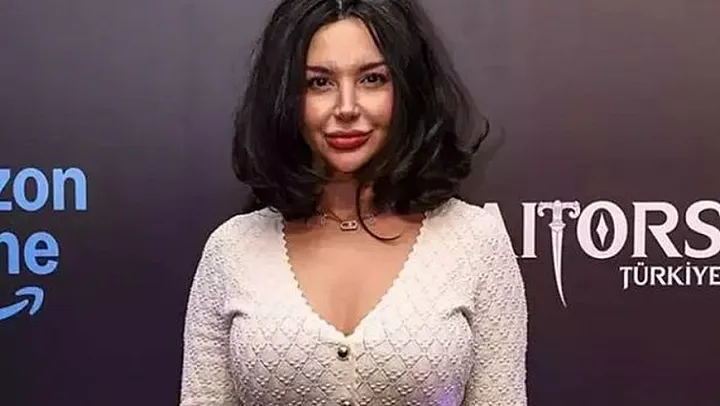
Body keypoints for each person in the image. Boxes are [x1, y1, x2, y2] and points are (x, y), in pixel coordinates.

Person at [180, 0, 527, 405]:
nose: (346, 108)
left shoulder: (476, 243)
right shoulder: (231, 250)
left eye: (372, 79)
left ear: (408, 89)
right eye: (319, 83)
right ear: (285, 98)